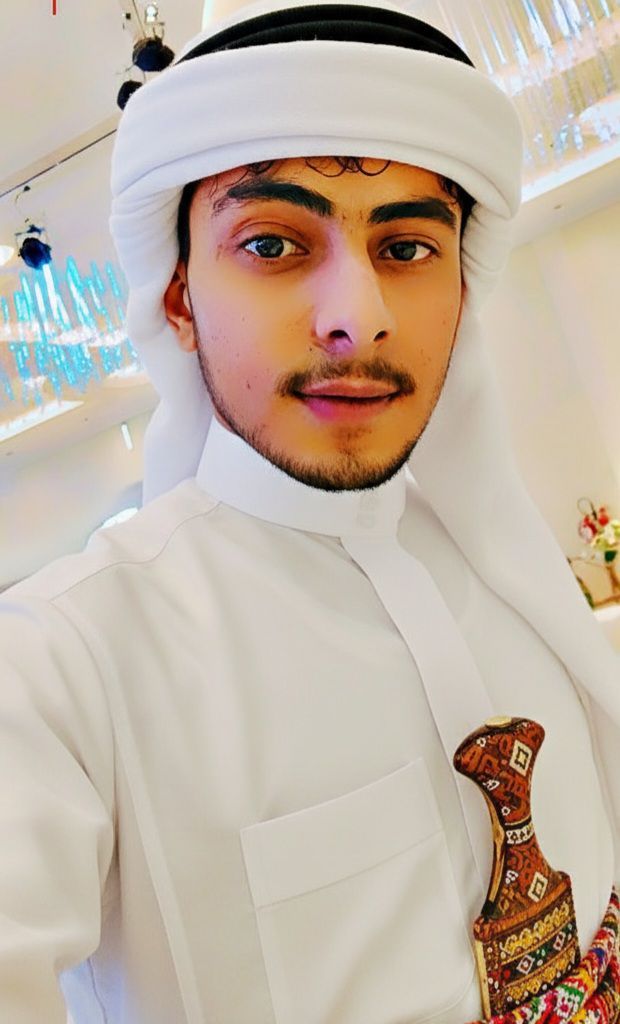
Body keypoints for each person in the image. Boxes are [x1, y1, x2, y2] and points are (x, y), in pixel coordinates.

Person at [1, 0, 619, 1021]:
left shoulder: (507, 580)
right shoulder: (63, 665)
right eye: (274, 244)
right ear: (178, 298)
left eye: (407, 248)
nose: (356, 318)